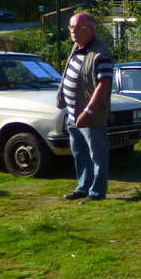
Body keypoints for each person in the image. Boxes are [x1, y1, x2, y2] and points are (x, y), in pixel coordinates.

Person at [57, 11, 113, 203]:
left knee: (97, 155)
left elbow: (103, 85)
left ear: (91, 29)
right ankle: (83, 187)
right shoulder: (77, 47)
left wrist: (88, 111)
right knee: (80, 153)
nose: (73, 31)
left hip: (90, 115)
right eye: (71, 27)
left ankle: (97, 192)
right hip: (72, 113)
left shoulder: (100, 53)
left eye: (77, 27)